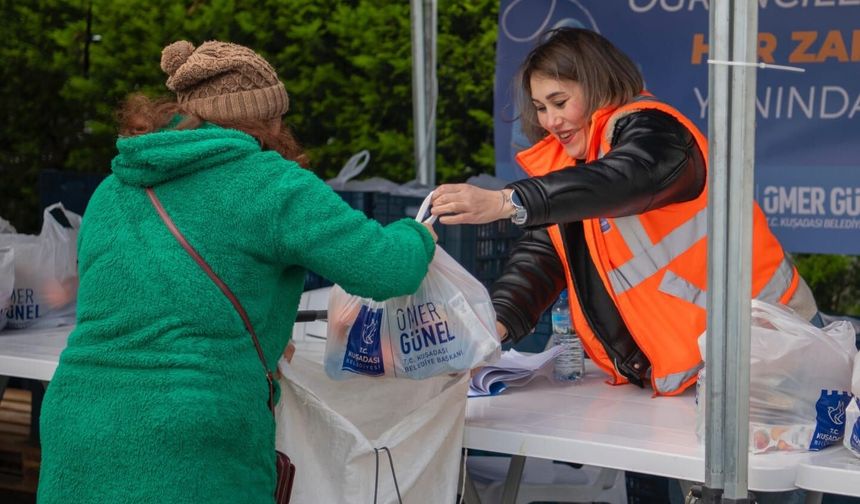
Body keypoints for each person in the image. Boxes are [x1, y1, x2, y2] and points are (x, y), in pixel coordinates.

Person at [37, 40, 436, 504]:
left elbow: (125, 295)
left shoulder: (114, 185)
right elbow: (388, 269)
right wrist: (422, 233)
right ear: (264, 118)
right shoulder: (271, 183)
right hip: (193, 437)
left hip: (77, 419)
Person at [430, 27, 819, 397]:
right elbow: (541, 258)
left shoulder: (657, 131)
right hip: (685, 372)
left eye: (560, 102)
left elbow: (628, 178)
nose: (551, 121)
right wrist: (488, 330)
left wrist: (505, 201)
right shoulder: (571, 168)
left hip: (772, 344)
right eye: (540, 108)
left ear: (598, 85)